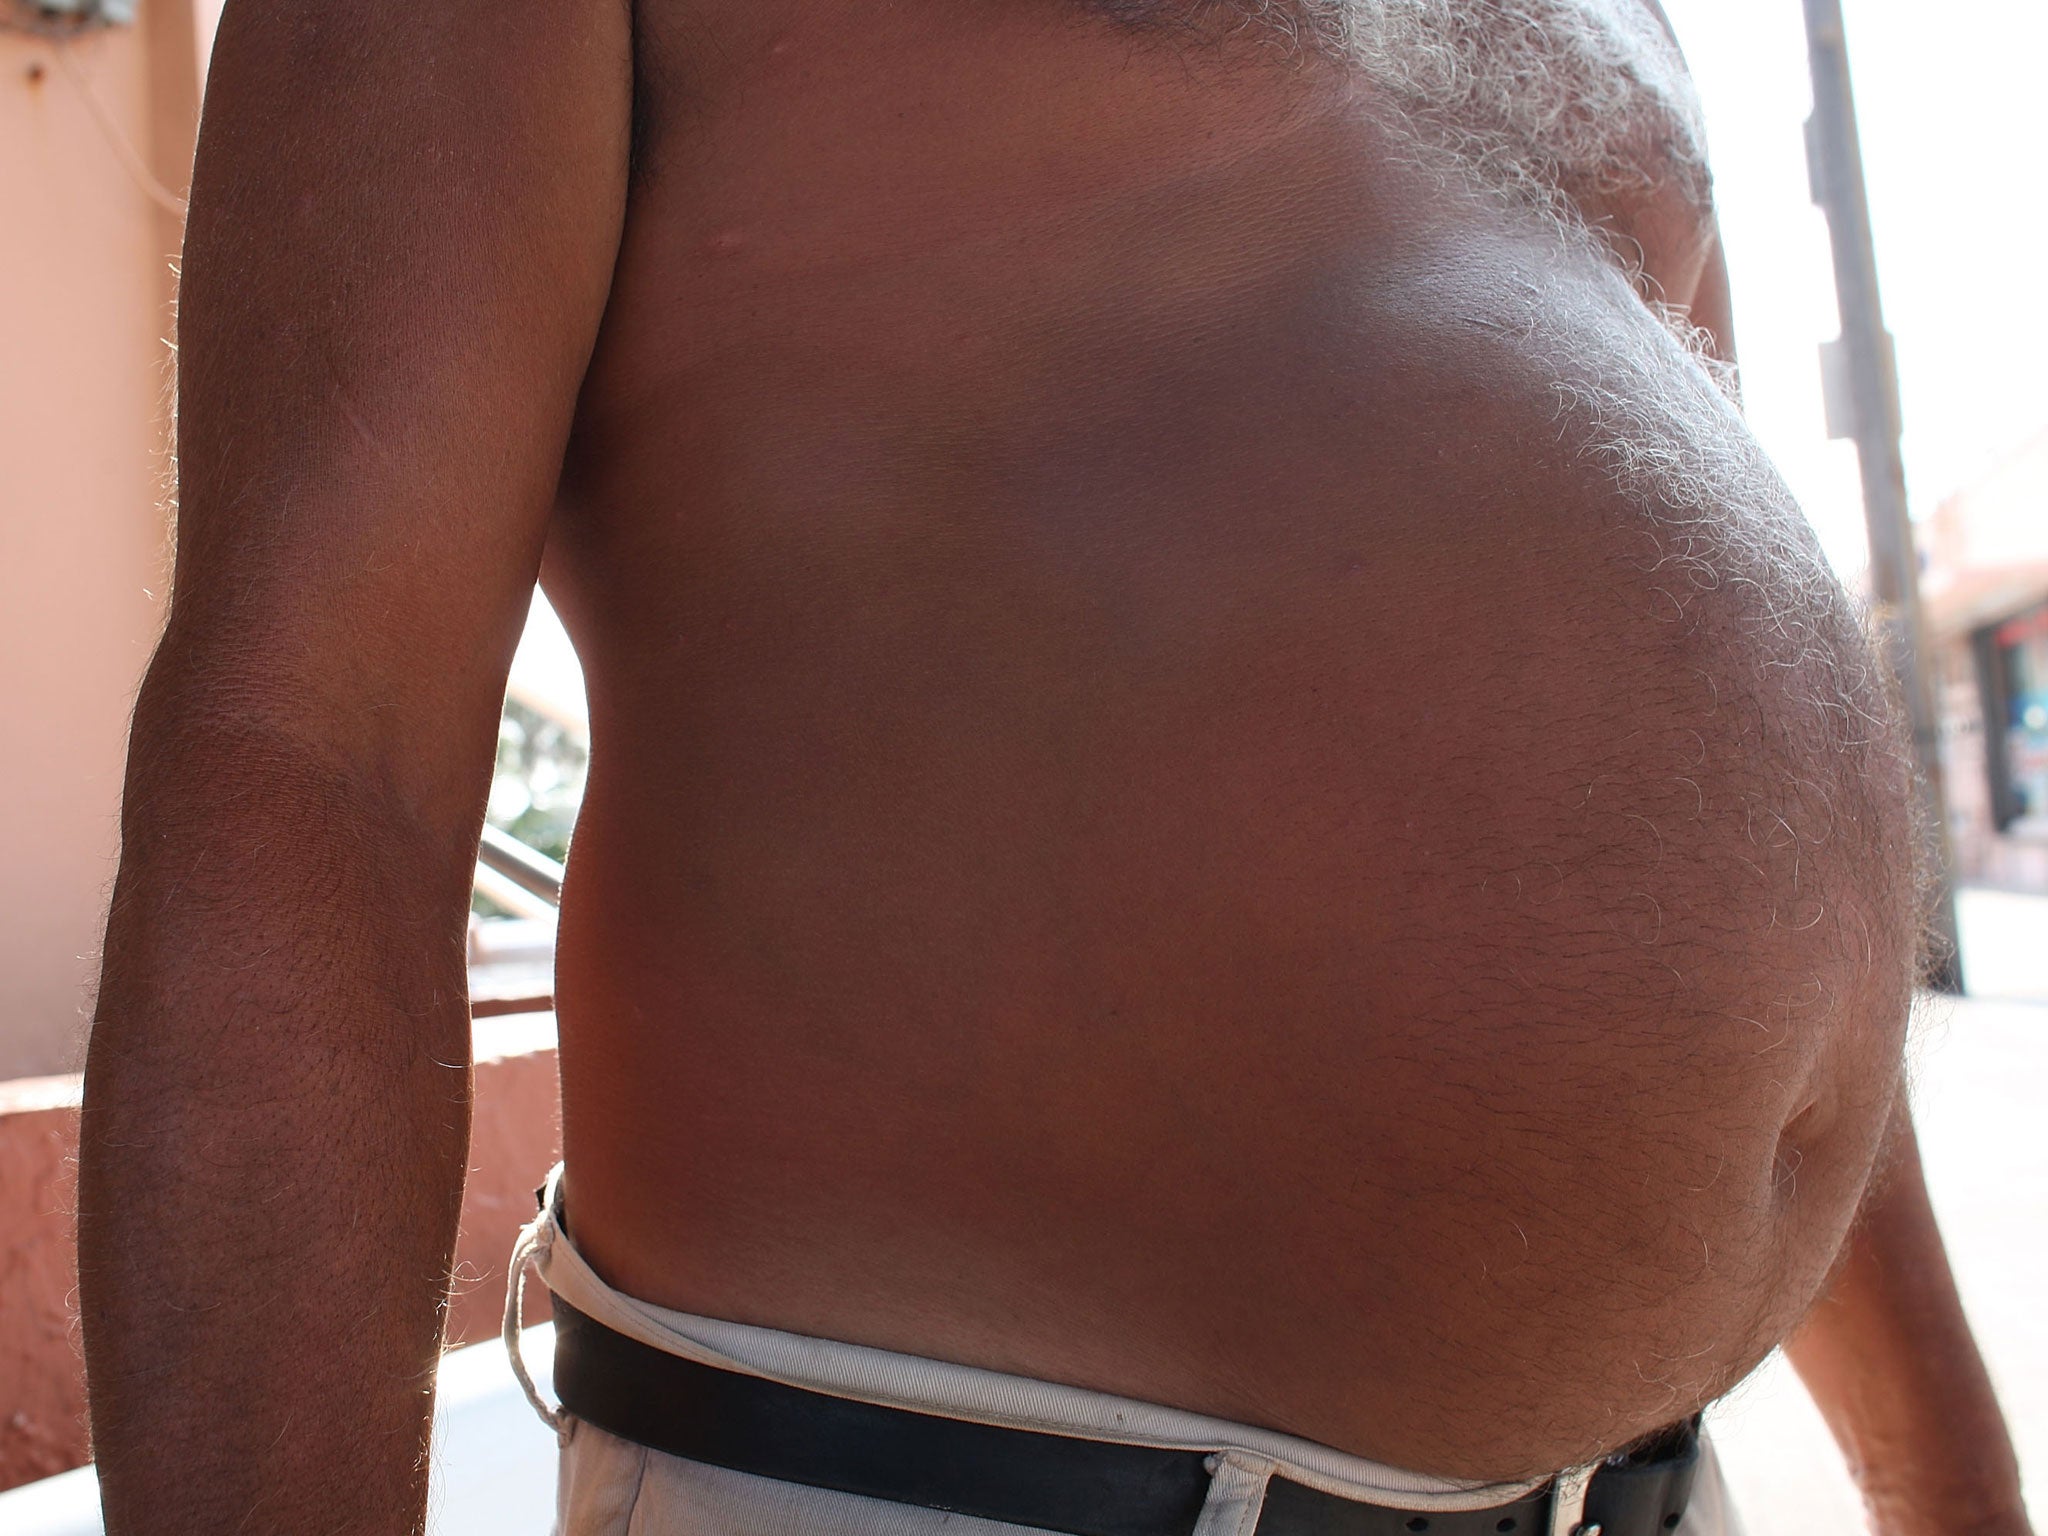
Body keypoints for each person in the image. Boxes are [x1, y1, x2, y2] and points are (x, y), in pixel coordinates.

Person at [78, 1, 2033, 1533]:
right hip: (950, 1487)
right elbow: (313, 761)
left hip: (1651, 1487)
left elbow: (1750, 823)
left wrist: (1955, 1498)